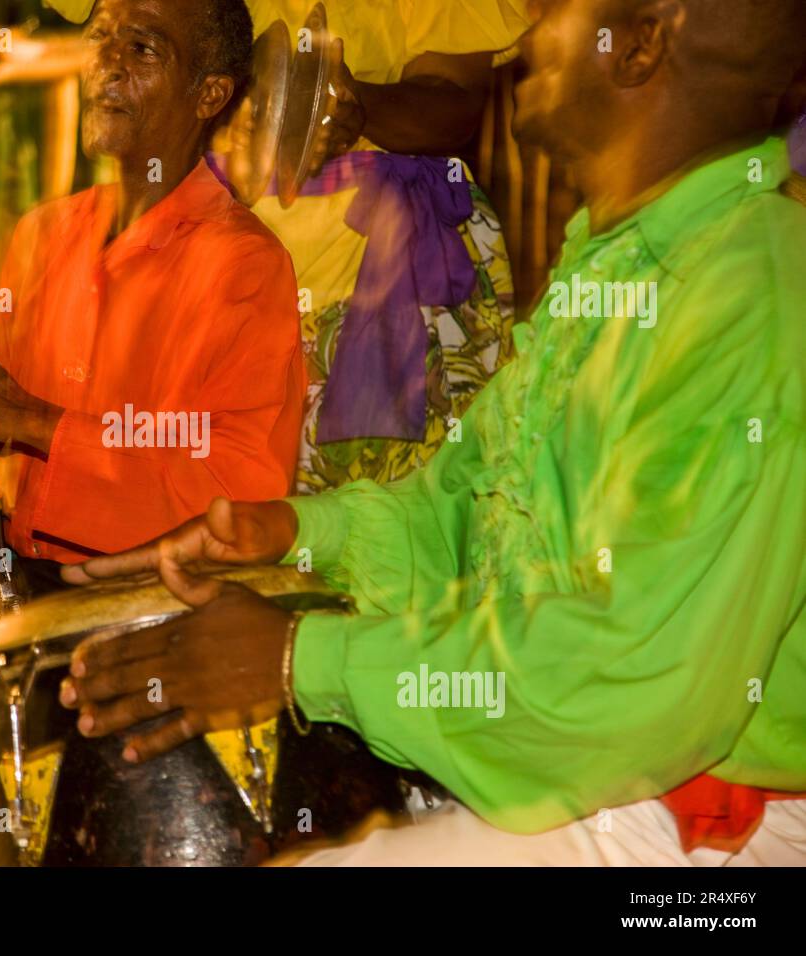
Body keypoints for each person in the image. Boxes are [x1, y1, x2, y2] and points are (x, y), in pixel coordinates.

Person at [59, 0, 806, 866]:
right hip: (610, 784)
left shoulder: (747, 297)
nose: (527, 23)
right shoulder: (621, 264)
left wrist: (304, 660)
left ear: (638, 45)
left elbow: (635, 682)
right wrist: (299, 535)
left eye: (559, 5)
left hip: (712, 827)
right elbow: (462, 517)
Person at [0, 0, 306, 584]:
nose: (108, 65)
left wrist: (34, 419)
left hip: (166, 609)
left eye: (142, 49)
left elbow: (235, 503)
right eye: (99, 39)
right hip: (27, 595)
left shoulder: (244, 263)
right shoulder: (44, 234)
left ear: (209, 94)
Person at [45, 0, 525, 494]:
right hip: (198, 262)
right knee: (177, 495)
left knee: (358, 521)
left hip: (361, 276)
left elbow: (455, 98)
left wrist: (353, 106)